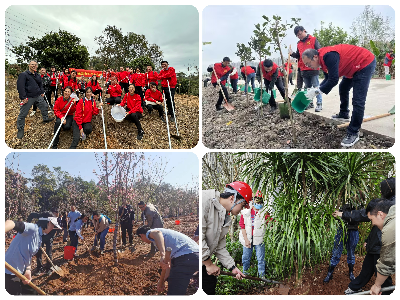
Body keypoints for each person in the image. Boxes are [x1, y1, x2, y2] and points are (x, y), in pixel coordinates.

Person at [302, 44, 376, 147]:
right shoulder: (322, 61)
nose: (309, 67)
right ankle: (344, 113)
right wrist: (316, 89)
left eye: (309, 64)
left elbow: (333, 80)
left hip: (364, 63)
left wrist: (317, 91)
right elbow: (328, 78)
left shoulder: (328, 56)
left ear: (315, 57)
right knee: (343, 87)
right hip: (352, 67)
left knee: (358, 100)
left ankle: (353, 132)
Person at [331, 177, 395, 294]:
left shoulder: (390, 205)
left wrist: (377, 285)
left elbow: (365, 215)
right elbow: (376, 226)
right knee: (367, 267)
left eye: (382, 190)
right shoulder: (388, 202)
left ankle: (388, 293)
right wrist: (368, 240)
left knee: (381, 271)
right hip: (375, 244)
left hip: (380, 246)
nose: (381, 192)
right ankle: (355, 287)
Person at [202, 181, 251, 295]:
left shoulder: (224, 217)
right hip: (191, 258)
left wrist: (232, 267)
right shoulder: (205, 201)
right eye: (242, 205)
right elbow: (198, 238)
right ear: (232, 198)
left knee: (210, 284)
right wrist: (209, 264)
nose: (241, 210)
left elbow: (219, 246)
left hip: (203, 260)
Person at [5, 212, 61, 295]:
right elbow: (11, 222)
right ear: (48, 222)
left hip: (21, 271)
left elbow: (28, 254)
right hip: (9, 272)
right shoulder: (33, 228)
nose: (53, 228)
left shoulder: (39, 236)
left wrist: (28, 269)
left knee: (32, 293)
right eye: (53, 225)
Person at [136, 226, 199, 295]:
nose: (143, 241)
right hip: (196, 256)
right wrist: (161, 281)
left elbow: (157, 233)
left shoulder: (151, 232)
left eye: (141, 239)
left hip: (186, 257)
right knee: (173, 277)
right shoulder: (167, 238)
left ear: (141, 235)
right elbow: (168, 265)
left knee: (174, 293)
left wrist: (162, 254)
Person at [16, 60, 54, 139]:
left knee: (44, 106)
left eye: (35, 65)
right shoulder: (24, 75)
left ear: (37, 66)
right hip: (28, 97)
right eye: (32, 64)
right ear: (29, 65)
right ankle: (20, 129)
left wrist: (42, 92)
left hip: (38, 95)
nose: (34, 66)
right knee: (22, 114)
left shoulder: (37, 75)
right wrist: (23, 97)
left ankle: (45, 118)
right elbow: (20, 86)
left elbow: (40, 84)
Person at [323, 204, 361, 283]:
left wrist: (345, 215)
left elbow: (360, 216)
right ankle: (330, 273)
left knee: (351, 252)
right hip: (341, 229)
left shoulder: (359, 204)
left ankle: (351, 272)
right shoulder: (343, 200)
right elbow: (336, 215)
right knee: (336, 251)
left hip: (353, 230)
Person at [239, 191, 272, 279]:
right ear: (253, 201)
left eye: (261, 202)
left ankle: (262, 277)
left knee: (261, 259)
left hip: (259, 239)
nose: (259, 204)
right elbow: (242, 226)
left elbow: (271, 223)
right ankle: (245, 275)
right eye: (257, 202)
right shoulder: (246, 212)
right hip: (247, 238)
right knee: (246, 258)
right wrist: (246, 240)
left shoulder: (265, 213)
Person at [290, 25, 323, 111]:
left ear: (304, 31)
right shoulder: (299, 44)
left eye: (300, 34)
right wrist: (292, 53)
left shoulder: (313, 40)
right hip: (303, 69)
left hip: (313, 68)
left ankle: (319, 103)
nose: (299, 36)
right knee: (307, 87)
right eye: (298, 35)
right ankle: (310, 103)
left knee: (316, 86)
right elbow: (298, 55)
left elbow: (319, 51)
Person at [368, 200, 395, 295]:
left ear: (380, 214)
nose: (372, 224)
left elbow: (387, 262)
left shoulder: (390, 229)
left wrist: (377, 285)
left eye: (371, 220)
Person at [26, 208, 59, 275]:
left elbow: (51, 236)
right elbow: (32, 215)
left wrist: (40, 240)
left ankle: (48, 268)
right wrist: (28, 223)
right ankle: (39, 268)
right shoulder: (43, 216)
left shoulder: (54, 224)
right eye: (54, 216)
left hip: (48, 238)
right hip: (40, 235)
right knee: (38, 253)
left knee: (48, 252)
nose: (55, 218)